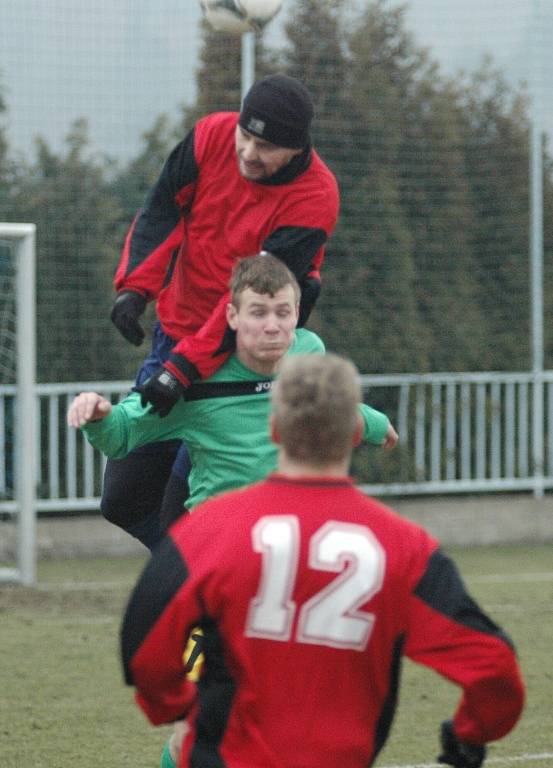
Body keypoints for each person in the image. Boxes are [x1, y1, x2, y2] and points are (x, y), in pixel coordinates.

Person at [119, 353, 525, 768]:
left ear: (274, 430)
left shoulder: (210, 531)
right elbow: (492, 664)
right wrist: (471, 732)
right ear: (353, 433)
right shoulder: (405, 549)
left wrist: (170, 703)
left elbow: (145, 642)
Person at [104, 73, 339, 549]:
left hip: (241, 361)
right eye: (245, 136)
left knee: (188, 511)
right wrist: (135, 288)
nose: (249, 153)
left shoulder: (315, 197)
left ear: (296, 149)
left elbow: (254, 305)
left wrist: (183, 370)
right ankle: (215, 589)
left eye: (266, 146)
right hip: (175, 342)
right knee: (123, 500)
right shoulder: (211, 134)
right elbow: (161, 209)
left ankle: (205, 602)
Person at [68, 256, 396, 531]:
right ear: (232, 316)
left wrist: (373, 423)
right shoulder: (193, 375)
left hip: (289, 530)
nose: (272, 326)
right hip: (221, 535)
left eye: (282, 312)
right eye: (258, 312)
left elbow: (326, 404)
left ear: (297, 313)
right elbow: (122, 431)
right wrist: (99, 415)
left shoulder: (308, 350)